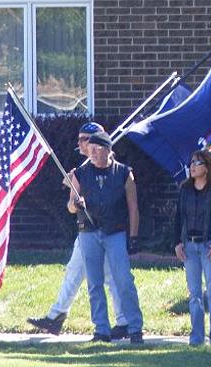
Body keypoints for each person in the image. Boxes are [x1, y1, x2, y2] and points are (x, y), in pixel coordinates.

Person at [27, 122, 128, 337]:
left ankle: (123, 321)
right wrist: (75, 196)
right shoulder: (82, 170)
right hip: (87, 230)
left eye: (84, 138)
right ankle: (58, 316)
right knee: (78, 272)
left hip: (105, 230)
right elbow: (71, 206)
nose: (80, 143)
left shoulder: (107, 168)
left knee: (107, 276)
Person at [68, 130, 144, 344]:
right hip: (89, 232)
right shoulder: (80, 174)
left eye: (94, 148)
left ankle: (135, 327)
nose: (89, 152)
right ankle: (101, 330)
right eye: (89, 149)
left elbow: (133, 207)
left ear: (106, 150)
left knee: (124, 280)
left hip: (115, 232)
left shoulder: (124, 173)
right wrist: (76, 204)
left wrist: (134, 236)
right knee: (94, 283)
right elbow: (70, 206)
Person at [173, 148, 211, 346]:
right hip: (189, 246)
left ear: (206, 167)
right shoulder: (185, 189)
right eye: (191, 163)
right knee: (194, 294)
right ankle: (196, 338)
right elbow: (178, 217)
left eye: (197, 163)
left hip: (210, 246)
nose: (192, 167)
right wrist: (177, 243)